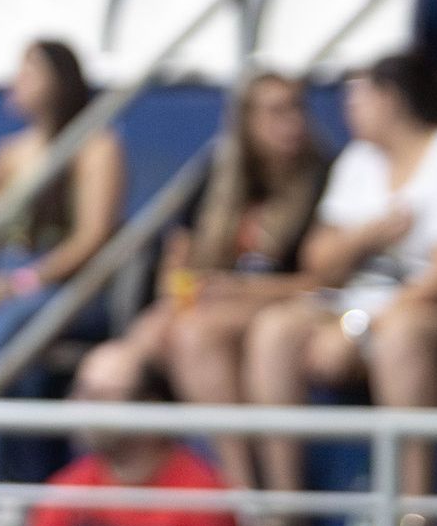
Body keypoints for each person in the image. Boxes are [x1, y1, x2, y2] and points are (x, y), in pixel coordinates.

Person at [241, 53, 437, 526]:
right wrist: (367, 237)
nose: (347, 106)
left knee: (403, 334)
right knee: (275, 327)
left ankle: (415, 515)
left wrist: (359, 328)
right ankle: (287, 508)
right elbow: (319, 261)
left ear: (392, 100)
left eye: (358, 94)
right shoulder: (358, 160)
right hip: (363, 308)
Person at [0, 40, 122, 526]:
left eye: (30, 70)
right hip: (11, 277)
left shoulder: (97, 147)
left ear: (61, 79)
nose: (18, 81)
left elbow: (91, 240)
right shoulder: (6, 153)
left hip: (69, 285)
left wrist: (21, 282)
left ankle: (4, 484)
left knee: (1, 338)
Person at [121, 73, 332, 491]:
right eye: (276, 111)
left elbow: (322, 281)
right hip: (219, 304)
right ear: (246, 121)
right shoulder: (217, 175)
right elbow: (177, 263)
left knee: (195, 333)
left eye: (297, 108)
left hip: (291, 305)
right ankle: (155, 490)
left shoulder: (325, 177)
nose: (291, 123)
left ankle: (241, 491)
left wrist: (233, 291)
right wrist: (178, 296)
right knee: (134, 347)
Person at [14, 343, 243, 526]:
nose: (83, 408)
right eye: (81, 392)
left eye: (102, 397)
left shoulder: (201, 499)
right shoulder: (68, 488)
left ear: (151, 408)